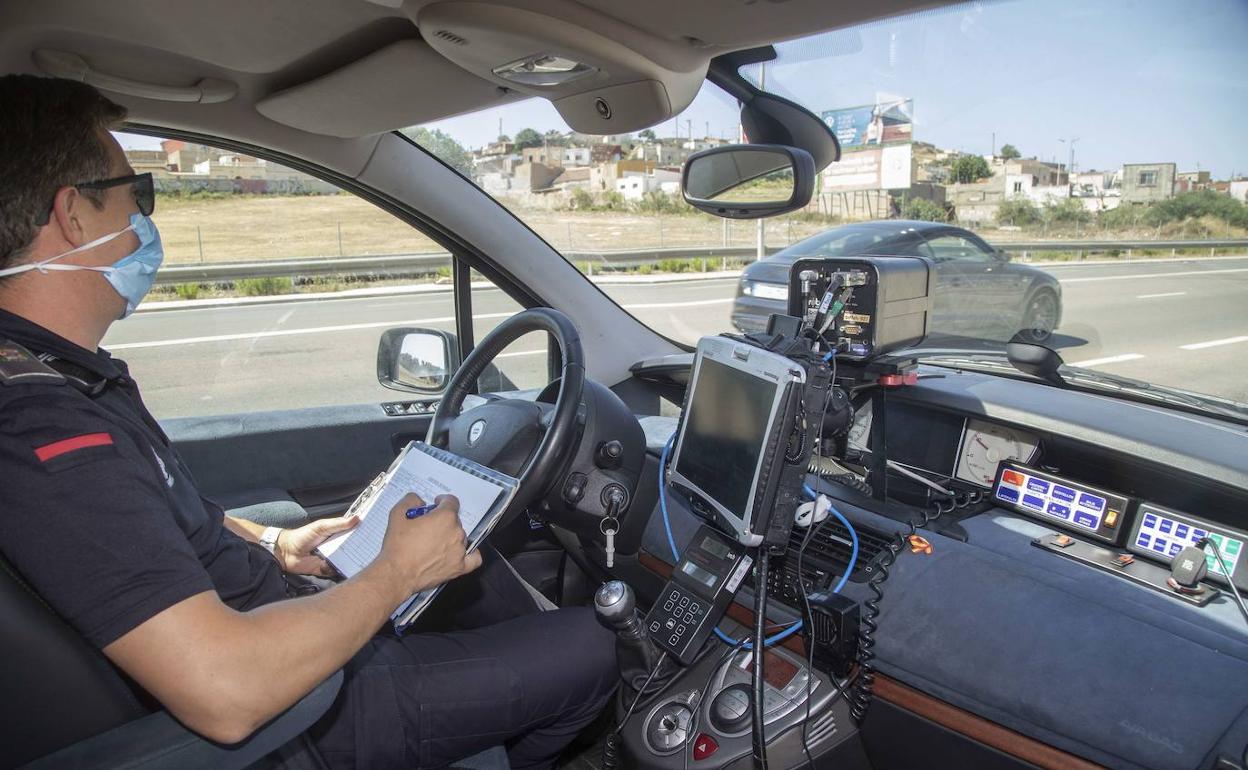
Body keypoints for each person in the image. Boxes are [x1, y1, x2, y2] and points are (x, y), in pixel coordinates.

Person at [0, 74, 616, 769]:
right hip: (305, 713)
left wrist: (276, 544)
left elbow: (141, 519)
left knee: (484, 578)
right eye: (135, 193)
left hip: (280, 628)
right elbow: (227, 691)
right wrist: (392, 575)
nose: (145, 214)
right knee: (594, 647)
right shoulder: (43, 430)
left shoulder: (58, 374)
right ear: (73, 215)